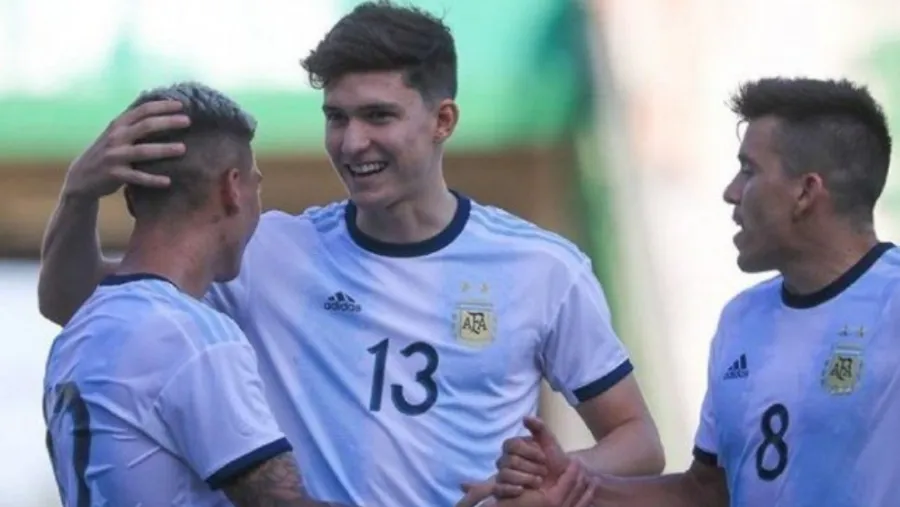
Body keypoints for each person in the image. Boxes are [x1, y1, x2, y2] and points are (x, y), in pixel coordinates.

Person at [36, 2, 665, 506]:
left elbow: (638, 440)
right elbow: (81, 306)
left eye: (378, 116)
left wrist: (564, 475)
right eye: (336, 117)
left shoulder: (542, 268)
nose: (352, 141)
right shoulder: (270, 250)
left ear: (443, 120)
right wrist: (78, 195)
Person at [489, 76, 900, 507]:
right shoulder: (742, 318)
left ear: (806, 191)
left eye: (749, 170)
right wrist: (576, 487)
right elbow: (703, 492)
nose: (731, 192)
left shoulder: (890, 303)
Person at [42, 82, 352, 507]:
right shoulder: (193, 337)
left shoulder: (78, 334)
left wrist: (77, 193)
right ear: (232, 188)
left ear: (131, 199)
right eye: (257, 186)